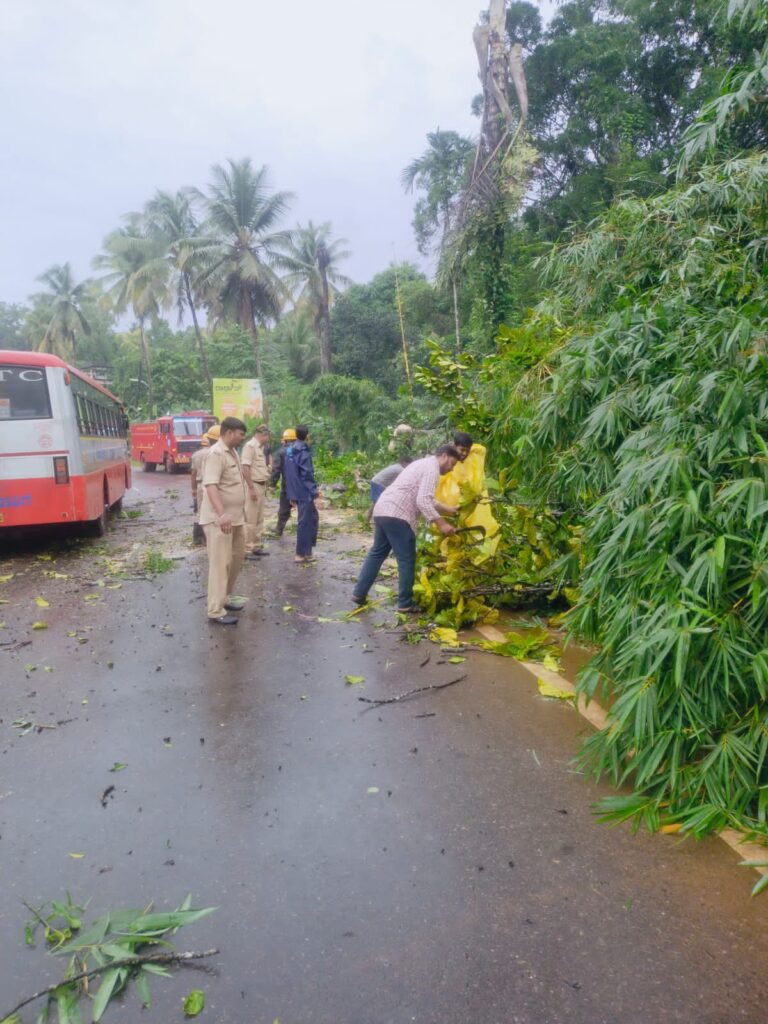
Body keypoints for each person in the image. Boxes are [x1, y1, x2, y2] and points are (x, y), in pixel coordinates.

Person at [352, 445, 460, 612]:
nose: (451, 468)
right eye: (452, 464)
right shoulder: (432, 469)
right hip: (398, 514)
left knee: (377, 553)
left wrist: (449, 510)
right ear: (445, 456)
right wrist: (442, 524)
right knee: (406, 560)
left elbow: (427, 499)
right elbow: (423, 501)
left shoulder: (422, 464)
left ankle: (359, 594)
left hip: (383, 509)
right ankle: (405, 603)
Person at [198, 417, 248, 625]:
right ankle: (215, 610)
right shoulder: (216, 454)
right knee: (220, 564)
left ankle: (225, 598)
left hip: (236, 519)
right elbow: (211, 486)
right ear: (229, 432)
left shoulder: (232, 451)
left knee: (236, 559)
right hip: (219, 520)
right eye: (240, 434)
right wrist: (221, 514)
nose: (242, 438)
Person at [283, 424, 323, 564]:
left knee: (312, 518)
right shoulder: (303, 451)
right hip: (304, 491)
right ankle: (301, 554)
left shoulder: (289, 450)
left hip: (295, 491)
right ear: (307, 436)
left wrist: (291, 494)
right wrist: (315, 492)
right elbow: (306, 473)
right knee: (305, 522)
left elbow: (288, 473)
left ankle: (307, 552)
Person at [241, 424, 271, 558]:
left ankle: (256, 546)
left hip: (261, 485)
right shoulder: (250, 446)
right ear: (263, 435)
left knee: (259, 518)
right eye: (268, 436)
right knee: (251, 519)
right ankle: (248, 549)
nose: (268, 439)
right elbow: (245, 468)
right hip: (253, 486)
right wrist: (251, 488)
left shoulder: (261, 448)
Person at [190, 424, 220, 545]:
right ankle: (211, 538)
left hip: (200, 485)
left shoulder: (196, 455)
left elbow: (193, 473)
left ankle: (198, 538)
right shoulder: (215, 453)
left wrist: (193, 489)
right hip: (214, 485)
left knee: (200, 510)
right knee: (213, 510)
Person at [366, 455, 413, 521]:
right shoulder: (400, 469)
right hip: (379, 483)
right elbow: (408, 478)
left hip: (378, 482)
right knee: (378, 502)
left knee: (377, 502)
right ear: (404, 462)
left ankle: (369, 520)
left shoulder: (397, 466)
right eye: (409, 464)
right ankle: (372, 520)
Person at [270, 428, 297, 536]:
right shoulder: (302, 450)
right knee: (304, 509)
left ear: (284, 440)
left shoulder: (281, 452)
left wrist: (272, 484)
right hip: (300, 485)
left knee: (284, 508)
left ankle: (279, 529)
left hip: (287, 486)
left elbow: (276, 470)